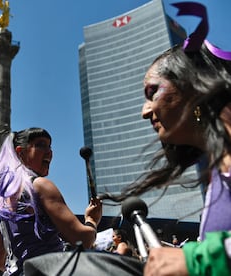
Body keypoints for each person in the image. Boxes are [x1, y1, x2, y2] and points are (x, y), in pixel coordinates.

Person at [102, 3, 231, 275]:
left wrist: (195, 260)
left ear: (193, 86)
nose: (144, 111)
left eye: (152, 93)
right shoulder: (219, 172)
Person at [0, 127, 102, 275]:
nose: (49, 152)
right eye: (41, 145)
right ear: (21, 152)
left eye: (50, 146)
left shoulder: (0, 201)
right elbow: (83, 239)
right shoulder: (40, 186)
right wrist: (91, 220)